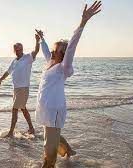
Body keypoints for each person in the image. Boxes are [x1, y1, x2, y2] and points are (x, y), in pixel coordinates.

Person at [35, 1, 102, 167]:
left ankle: (49, 164)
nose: (52, 52)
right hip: (45, 110)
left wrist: (83, 22)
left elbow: (72, 46)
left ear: (63, 54)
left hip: (54, 110)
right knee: (51, 137)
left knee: (49, 149)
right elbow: (45, 50)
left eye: (56, 50)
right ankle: (69, 151)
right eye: (53, 49)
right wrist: (41, 39)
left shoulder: (63, 68)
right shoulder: (50, 63)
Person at [0, 34, 40, 137]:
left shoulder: (28, 57)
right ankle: (31, 128)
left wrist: (37, 40)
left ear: (22, 49)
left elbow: (36, 51)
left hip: (23, 88)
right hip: (16, 89)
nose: (17, 51)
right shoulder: (14, 61)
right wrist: (0, 80)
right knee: (23, 108)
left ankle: (11, 132)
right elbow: (8, 72)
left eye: (19, 49)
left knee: (15, 109)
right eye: (15, 49)